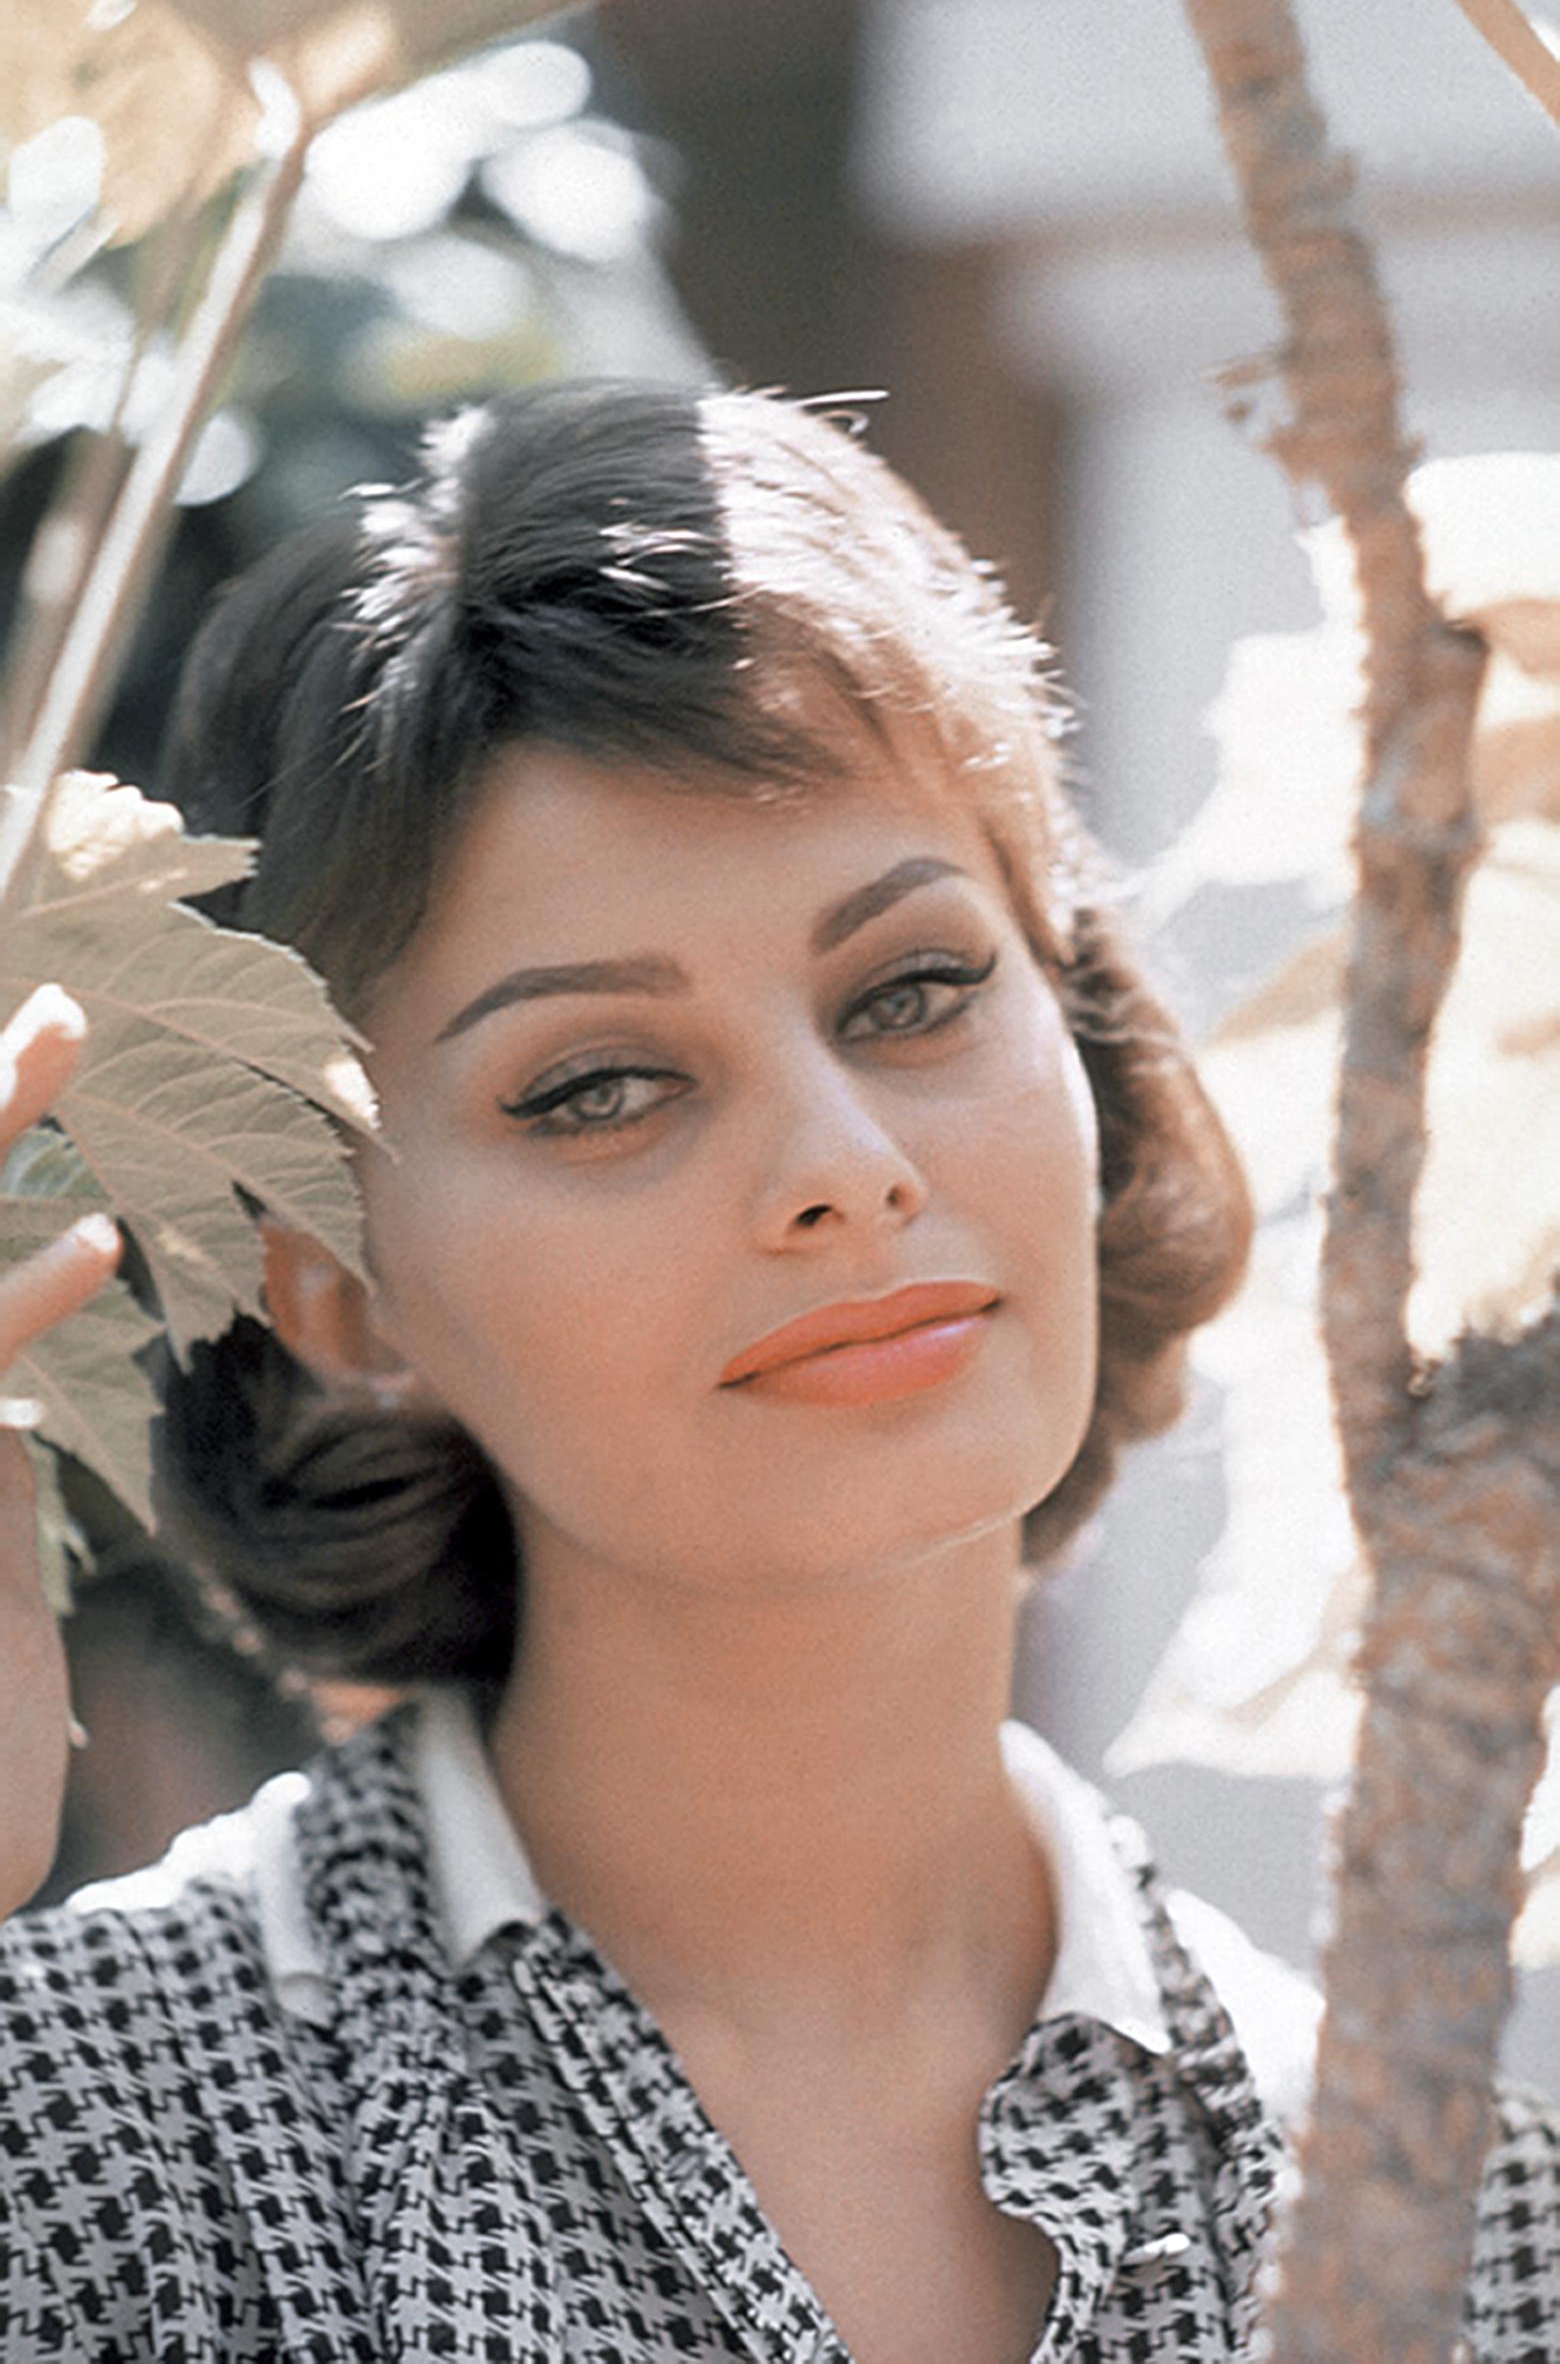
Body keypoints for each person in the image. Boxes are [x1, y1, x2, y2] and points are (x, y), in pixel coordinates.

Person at [0, 380, 1553, 2362]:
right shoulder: (86, 2141)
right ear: (341, 1293)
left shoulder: (1466, 2246)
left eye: (913, 990)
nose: (843, 1169)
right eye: (604, 1087)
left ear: (1073, 1033)